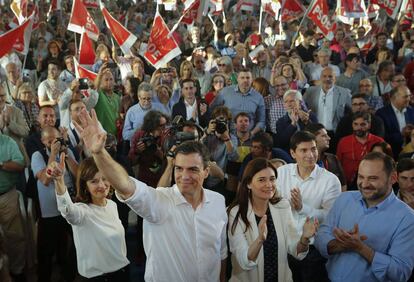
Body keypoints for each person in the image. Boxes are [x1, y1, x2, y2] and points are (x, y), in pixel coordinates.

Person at [73, 109, 228, 282]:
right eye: (179, 168)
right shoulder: (159, 202)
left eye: (193, 169)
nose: (184, 176)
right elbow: (126, 186)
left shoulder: (218, 202)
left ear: (206, 171)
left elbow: (220, 253)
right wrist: (99, 153)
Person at [314, 152, 414, 282]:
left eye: (372, 178)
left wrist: (361, 248)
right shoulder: (344, 199)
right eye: (361, 177)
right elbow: (321, 235)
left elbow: (400, 273)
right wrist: (341, 245)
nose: (364, 184)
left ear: (393, 178)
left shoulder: (407, 218)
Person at [227, 158, 318, 282]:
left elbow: (294, 249)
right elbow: (244, 260)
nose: (269, 185)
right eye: (261, 180)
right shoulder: (236, 213)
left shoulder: (282, 206)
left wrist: (304, 239)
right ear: (248, 183)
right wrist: (260, 240)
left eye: (272, 179)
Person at [46, 157, 130, 281]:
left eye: (104, 178)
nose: (101, 185)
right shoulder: (82, 211)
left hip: (122, 272)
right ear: (85, 185)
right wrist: (59, 180)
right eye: (94, 181)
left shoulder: (112, 205)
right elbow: (67, 210)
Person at [276, 131, 342, 282]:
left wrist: (302, 208)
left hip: (313, 251)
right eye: (304, 150)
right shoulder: (281, 173)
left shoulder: (330, 180)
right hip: (283, 246)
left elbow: (331, 217)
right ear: (293, 153)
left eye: (313, 149)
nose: (310, 155)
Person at [0, 133, 26, 282]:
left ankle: (17, 271)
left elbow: (20, 164)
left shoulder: (7, 141)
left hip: (6, 195)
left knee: (14, 236)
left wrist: (2, 164)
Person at [336, 112, 384, 188]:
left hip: (371, 184)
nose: (359, 128)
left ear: (369, 125)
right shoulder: (343, 142)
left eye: (363, 124)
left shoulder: (379, 141)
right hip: (347, 184)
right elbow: (338, 165)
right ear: (352, 125)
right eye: (356, 124)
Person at [211, 68, 265, 135]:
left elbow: (261, 121)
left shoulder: (258, 97)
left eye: (248, 78)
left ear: (252, 80)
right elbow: (212, 110)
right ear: (237, 79)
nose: (245, 80)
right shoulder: (225, 92)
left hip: (249, 136)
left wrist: (252, 133)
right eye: (242, 78)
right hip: (227, 135)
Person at [303, 67, 352, 134]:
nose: (327, 79)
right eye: (324, 76)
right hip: (315, 132)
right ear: (320, 78)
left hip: (336, 132)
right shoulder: (310, 91)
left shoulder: (344, 93)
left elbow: (350, 112)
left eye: (330, 76)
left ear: (335, 78)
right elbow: (302, 106)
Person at [305, 123, 347, 191]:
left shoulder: (333, 158)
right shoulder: (302, 162)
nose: (329, 138)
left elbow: (343, 185)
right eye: (324, 136)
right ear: (313, 139)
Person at [376, 85, 414, 157]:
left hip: (410, 153)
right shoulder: (381, 113)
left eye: (409, 96)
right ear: (393, 98)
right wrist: (401, 134)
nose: (409, 99)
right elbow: (382, 138)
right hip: (391, 153)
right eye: (405, 96)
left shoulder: (411, 111)